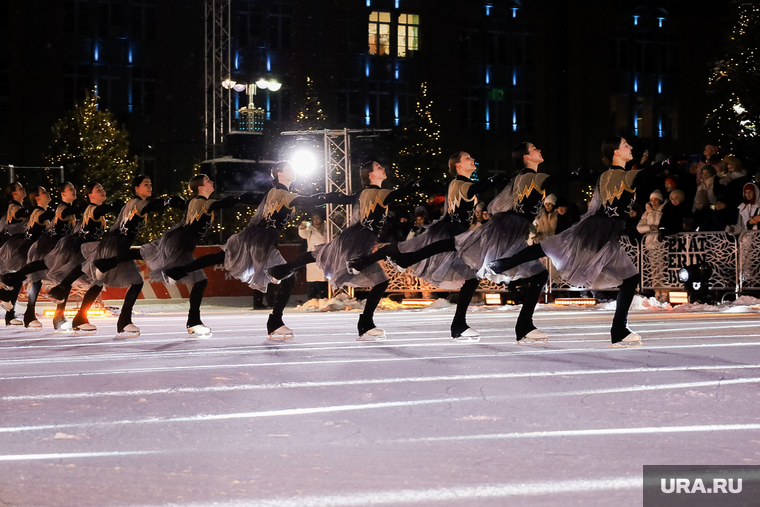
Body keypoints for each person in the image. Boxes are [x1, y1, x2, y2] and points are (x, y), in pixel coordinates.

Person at [488, 136, 665, 347]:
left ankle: (507, 265)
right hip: (605, 231)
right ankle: (619, 330)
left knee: (555, 247)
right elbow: (648, 173)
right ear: (616, 152)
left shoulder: (605, 176)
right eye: (626, 145)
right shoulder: (626, 176)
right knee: (629, 278)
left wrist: (582, 174)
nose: (631, 147)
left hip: (595, 228)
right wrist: (669, 162)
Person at [164, 161, 346, 340]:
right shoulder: (282, 193)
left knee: (223, 256)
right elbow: (310, 200)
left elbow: (258, 200)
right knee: (289, 278)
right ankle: (275, 322)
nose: (293, 170)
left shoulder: (274, 193)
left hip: (255, 237)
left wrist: (243, 197)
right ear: (279, 173)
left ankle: (177, 271)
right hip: (262, 240)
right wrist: (341, 198)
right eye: (289, 168)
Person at [266, 159, 427, 340]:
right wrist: (417, 185)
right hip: (356, 242)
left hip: (353, 239)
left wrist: (330, 197)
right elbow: (400, 193)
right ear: (371, 175)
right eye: (378, 167)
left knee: (318, 255)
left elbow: (349, 198)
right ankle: (365, 323)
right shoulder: (378, 193)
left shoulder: (364, 193)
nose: (383, 168)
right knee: (378, 281)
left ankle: (281, 271)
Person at [72, 175, 183, 338]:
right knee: (135, 282)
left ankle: (81, 318)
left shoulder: (133, 203)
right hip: (116, 245)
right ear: (136, 188)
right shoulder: (137, 203)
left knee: (100, 282)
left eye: (150, 184)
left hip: (113, 243)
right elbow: (148, 208)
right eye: (146, 184)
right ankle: (123, 321)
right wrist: (166, 202)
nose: (150, 187)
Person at [0, 182, 82, 330]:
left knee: (29, 279)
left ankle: (13, 311)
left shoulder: (50, 211)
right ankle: (24, 313)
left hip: (46, 246)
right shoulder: (26, 209)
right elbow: (20, 217)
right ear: (37, 197)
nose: (48, 194)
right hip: (28, 247)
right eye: (44, 192)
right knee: (33, 279)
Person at [44, 183, 123, 332]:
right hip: (85, 250)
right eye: (98, 190)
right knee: (96, 281)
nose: (103, 191)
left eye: (103, 189)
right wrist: (116, 205)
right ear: (90, 196)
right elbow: (103, 209)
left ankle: (67, 312)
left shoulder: (94, 210)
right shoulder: (94, 209)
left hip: (87, 249)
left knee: (83, 280)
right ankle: (79, 317)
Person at [0, 186, 54, 327]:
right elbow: (17, 217)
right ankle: (27, 315)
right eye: (20, 188)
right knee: (32, 278)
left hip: (27, 246)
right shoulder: (14, 208)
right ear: (13, 193)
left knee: (21, 279)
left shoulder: (23, 208)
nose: (24, 189)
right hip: (19, 247)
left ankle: (10, 313)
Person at [298, 212, 328, 300]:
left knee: (324, 279)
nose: (316, 221)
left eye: (318, 218)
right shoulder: (310, 230)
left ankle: (325, 298)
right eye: (314, 219)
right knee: (313, 281)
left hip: (325, 256)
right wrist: (302, 227)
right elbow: (303, 234)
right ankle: (312, 299)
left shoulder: (328, 227)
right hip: (313, 257)